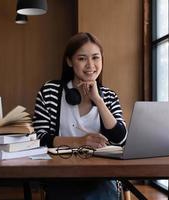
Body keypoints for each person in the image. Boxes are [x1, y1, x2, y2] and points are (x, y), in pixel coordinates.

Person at [32, 32, 128, 200]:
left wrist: (98, 101)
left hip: (101, 176)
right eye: (82, 58)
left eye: (96, 58)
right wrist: (79, 141)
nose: (90, 65)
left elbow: (120, 139)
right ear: (69, 61)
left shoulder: (109, 96)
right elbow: (39, 138)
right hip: (61, 172)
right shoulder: (50, 92)